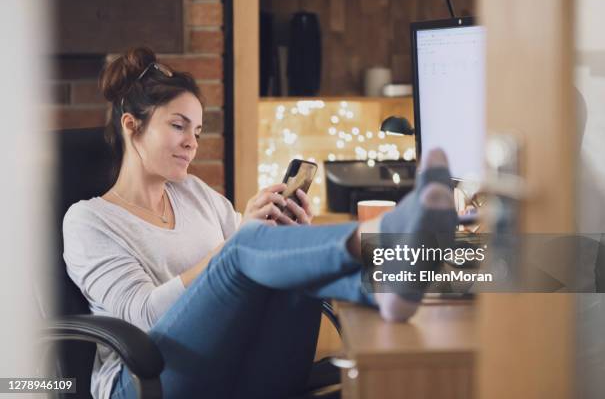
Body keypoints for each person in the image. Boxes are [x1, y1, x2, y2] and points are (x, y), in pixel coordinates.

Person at [62, 47, 458, 399]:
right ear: (132, 126)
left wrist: (289, 235)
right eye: (178, 126)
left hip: (232, 362)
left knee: (285, 261)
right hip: (145, 379)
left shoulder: (196, 194)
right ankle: (381, 242)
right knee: (244, 249)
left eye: (198, 132)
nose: (192, 143)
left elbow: (260, 264)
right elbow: (141, 317)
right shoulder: (90, 220)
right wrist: (233, 249)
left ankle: (390, 282)